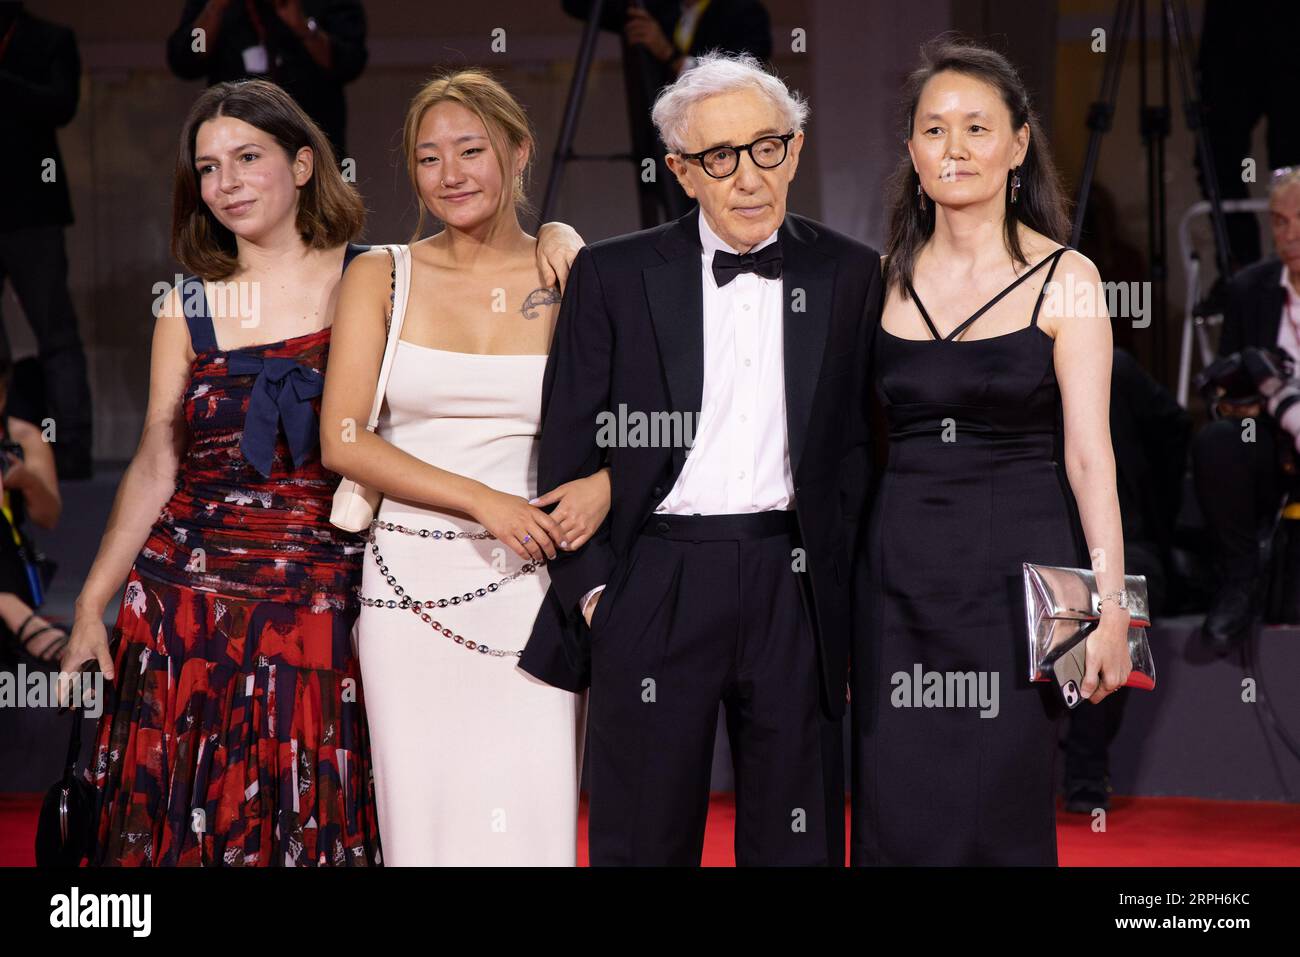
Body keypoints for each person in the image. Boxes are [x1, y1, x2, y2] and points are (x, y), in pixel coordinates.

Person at [58, 75, 577, 867]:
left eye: (247, 157)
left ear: (303, 165)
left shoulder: (383, 276)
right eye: (207, 167)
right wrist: (92, 603)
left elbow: (481, 265)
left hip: (323, 602)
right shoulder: (188, 306)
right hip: (185, 609)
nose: (226, 182)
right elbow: (156, 464)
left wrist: (559, 235)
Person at [522, 51, 880, 866]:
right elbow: (568, 445)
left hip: (794, 582)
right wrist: (596, 597)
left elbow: (862, 455)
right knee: (643, 836)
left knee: (800, 841)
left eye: (767, 148)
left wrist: (846, 603)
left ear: (793, 150)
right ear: (683, 171)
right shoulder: (612, 274)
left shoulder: (851, 273)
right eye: (720, 157)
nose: (748, 176)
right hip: (654, 577)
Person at [851, 37, 1132, 866]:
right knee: (896, 812)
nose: (955, 148)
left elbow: (1091, 459)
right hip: (895, 584)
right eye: (934, 129)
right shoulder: (878, 280)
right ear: (911, 149)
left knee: (999, 811)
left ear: (1018, 146)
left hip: (1018, 588)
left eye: (978, 128)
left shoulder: (1067, 277)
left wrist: (1110, 606)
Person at [321, 69, 601, 866]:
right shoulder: (381, 274)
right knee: (424, 825)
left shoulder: (572, 276)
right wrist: (485, 501)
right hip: (407, 589)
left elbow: (630, 433)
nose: (450, 175)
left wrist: (603, 487)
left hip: (533, 586)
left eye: (471, 150)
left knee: (533, 819)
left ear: (519, 154)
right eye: (428, 157)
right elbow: (343, 438)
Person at [1191, 167, 1300, 653]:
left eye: (1299, 221)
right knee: (1219, 442)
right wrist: (1241, 399)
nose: (1289, 235)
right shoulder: (1249, 289)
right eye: (1279, 222)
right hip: (1272, 442)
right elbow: (1222, 391)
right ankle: (1240, 578)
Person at [561, 1, 773, 224]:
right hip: (664, 138)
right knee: (673, 220)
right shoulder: (662, 9)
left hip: (720, 143)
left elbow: (744, 76)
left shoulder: (745, 11)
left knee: (718, 216)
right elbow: (578, 6)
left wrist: (667, 53)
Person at [0, 2, 94, 478]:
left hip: (31, 209)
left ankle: (72, 449)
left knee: (55, 332)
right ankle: (6, 445)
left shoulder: (49, 39)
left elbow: (60, 104)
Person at [166, 0, 367, 158]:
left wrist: (303, 27)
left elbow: (349, 63)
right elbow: (186, 59)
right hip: (235, 141)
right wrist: (215, 8)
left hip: (310, 139)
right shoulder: (215, 6)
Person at [0, 355, 64, 669]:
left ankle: (7, 602)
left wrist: (27, 481)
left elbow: (48, 517)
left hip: (10, 561)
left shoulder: (23, 438)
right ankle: (8, 607)